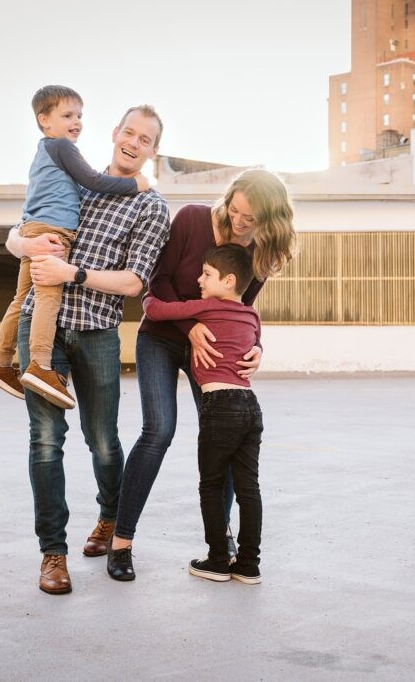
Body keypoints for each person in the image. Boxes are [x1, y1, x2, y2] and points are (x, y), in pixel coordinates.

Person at [5, 105, 170, 595]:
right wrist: (26, 248)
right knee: (45, 440)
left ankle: (108, 519)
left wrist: (71, 273)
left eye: (145, 139)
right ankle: (52, 554)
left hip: (97, 331)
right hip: (44, 326)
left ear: (152, 150)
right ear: (115, 133)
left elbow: (136, 282)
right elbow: (20, 230)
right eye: (129, 132)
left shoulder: (150, 205)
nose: (134, 142)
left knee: (102, 440)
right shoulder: (73, 177)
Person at [106, 169, 296, 582]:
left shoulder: (260, 253)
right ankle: (121, 541)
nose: (239, 222)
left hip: (208, 348)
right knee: (158, 431)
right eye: (235, 210)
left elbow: (242, 312)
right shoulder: (192, 219)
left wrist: (257, 347)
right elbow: (157, 285)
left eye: (250, 218)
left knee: (224, 434)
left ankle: (220, 542)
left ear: (270, 219)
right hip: (162, 336)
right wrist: (191, 324)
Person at [0, 85, 150, 410]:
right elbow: (95, 181)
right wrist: (136, 184)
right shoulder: (62, 147)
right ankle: (41, 368)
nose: (77, 122)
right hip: (53, 232)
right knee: (48, 295)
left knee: (21, 298)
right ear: (44, 120)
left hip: (35, 227)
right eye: (68, 115)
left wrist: (26, 241)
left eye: (80, 116)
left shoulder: (44, 151)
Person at [142, 244, 265, 585]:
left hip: (219, 405)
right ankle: (249, 564)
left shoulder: (207, 307)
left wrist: (177, 312)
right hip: (250, 406)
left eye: (206, 274)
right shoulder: (252, 315)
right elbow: (254, 340)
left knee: (211, 485)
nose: (199, 279)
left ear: (228, 281)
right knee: (248, 488)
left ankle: (217, 560)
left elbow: (153, 308)